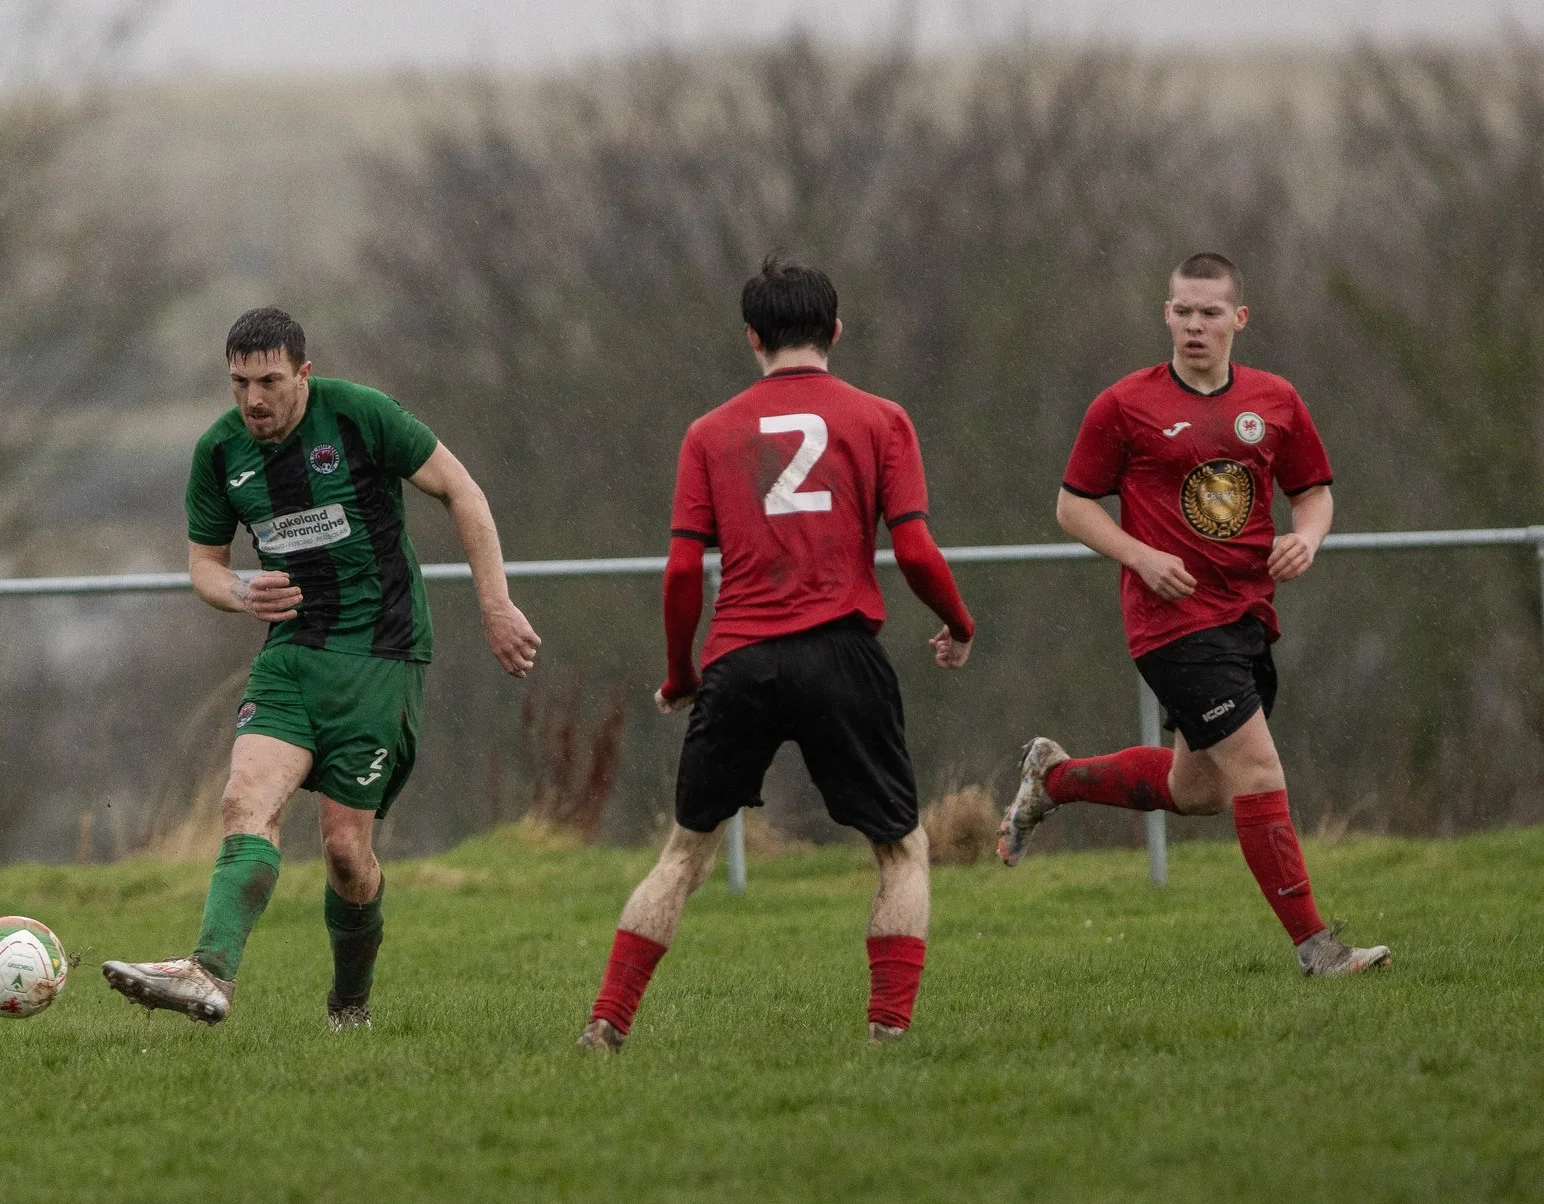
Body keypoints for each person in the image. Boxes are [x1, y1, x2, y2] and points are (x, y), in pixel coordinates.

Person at [101, 307, 542, 1029]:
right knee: (245, 800)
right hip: (292, 658)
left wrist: (495, 606)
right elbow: (204, 567)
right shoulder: (219, 451)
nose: (254, 400)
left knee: (344, 851)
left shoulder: (361, 416)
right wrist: (243, 592)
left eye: (269, 380)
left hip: (380, 656)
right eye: (240, 383)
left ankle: (349, 1005)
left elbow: (463, 491)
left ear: (304, 374)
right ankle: (209, 973)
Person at [580, 258, 977, 1051]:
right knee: (902, 849)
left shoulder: (710, 433)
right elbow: (917, 548)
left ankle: (606, 1024)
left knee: (684, 853)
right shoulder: (882, 420)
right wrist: (959, 623)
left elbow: (684, 568)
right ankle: (888, 1032)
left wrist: (681, 672)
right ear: (834, 332)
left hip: (742, 659)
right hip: (841, 655)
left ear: (752, 338)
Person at [997, 251, 1389, 977]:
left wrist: (1307, 537)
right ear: (1166, 316)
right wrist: (1140, 557)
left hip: (1248, 617)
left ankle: (1054, 780)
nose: (1195, 326)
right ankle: (1319, 951)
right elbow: (1071, 506)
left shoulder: (1275, 399)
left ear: (1239, 319)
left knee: (1200, 791)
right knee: (1258, 768)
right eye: (1182, 311)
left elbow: (1314, 492)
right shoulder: (1124, 406)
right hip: (1171, 625)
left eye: (1210, 313)